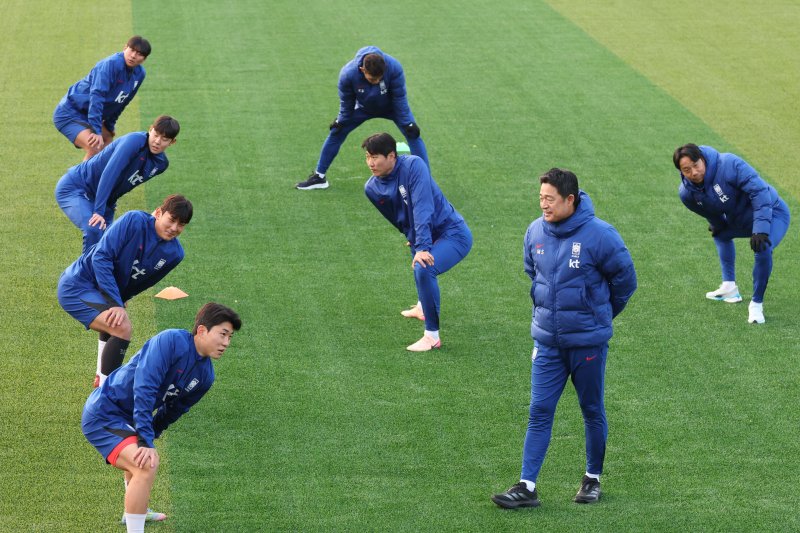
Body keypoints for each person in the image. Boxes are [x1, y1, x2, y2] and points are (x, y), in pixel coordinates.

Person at [492, 168, 637, 509]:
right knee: (539, 410)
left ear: (570, 200)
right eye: (541, 197)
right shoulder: (534, 232)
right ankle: (527, 486)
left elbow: (625, 281)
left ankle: (592, 479)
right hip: (547, 342)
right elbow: (534, 274)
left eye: (550, 199)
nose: (544, 204)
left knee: (590, 409)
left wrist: (598, 315)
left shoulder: (600, 235)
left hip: (587, 344)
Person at [81, 302, 242, 531]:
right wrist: (144, 440)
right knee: (146, 465)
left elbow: (172, 412)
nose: (226, 343)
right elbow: (144, 387)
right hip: (104, 412)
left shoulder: (206, 376)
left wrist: (148, 436)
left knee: (143, 457)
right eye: (223, 334)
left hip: (128, 419)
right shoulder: (171, 342)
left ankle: (135, 510)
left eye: (230, 337)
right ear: (202, 330)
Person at [57, 194, 192, 387]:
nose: (174, 228)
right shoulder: (134, 220)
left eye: (181, 225)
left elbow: (142, 282)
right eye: (171, 220)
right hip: (78, 286)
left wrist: (121, 298)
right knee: (122, 327)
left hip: (99, 291)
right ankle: (105, 395)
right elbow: (101, 257)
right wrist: (115, 301)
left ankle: (100, 378)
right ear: (159, 213)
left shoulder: (175, 254)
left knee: (116, 319)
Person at [362, 133, 471, 351]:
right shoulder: (371, 188)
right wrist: (414, 241)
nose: (371, 163)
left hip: (453, 233)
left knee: (423, 268)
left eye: (375, 157)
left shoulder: (414, 166)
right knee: (417, 258)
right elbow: (397, 218)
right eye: (367, 157)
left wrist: (422, 246)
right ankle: (423, 307)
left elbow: (423, 208)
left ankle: (432, 337)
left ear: (391, 155)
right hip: (423, 235)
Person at [673, 143, 790, 324]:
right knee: (721, 235)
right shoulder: (687, 194)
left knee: (763, 247)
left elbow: (759, 193)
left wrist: (760, 229)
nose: (694, 172)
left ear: (702, 159)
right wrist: (717, 225)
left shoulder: (729, 164)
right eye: (686, 170)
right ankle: (729, 287)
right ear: (681, 171)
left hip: (773, 213)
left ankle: (756, 304)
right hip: (742, 220)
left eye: (696, 165)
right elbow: (711, 214)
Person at [296, 46, 429, 190]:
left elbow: (399, 97)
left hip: (391, 107)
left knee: (413, 133)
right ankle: (319, 177)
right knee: (336, 132)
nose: (377, 82)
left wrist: (407, 123)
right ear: (362, 70)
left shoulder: (394, 67)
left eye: (380, 78)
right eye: (373, 79)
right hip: (363, 108)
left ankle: (424, 180)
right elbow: (346, 103)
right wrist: (341, 120)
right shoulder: (348, 75)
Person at [55, 115, 179, 254]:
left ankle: (94, 273)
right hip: (75, 187)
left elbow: (126, 183)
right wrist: (99, 211)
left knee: (112, 244)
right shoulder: (134, 141)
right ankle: (86, 273)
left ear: (172, 142)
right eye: (155, 135)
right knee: (94, 229)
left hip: (104, 200)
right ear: (150, 129)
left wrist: (109, 205)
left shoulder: (160, 164)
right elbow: (110, 173)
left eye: (164, 139)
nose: (157, 141)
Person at [53, 36, 151, 161]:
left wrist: (109, 126)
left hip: (90, 115)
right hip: (70, 113)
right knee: (95, 147)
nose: (133, 56)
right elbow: (97, 97)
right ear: (125, 47)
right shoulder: (110, 65)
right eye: (131, 50)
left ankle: (98, 179)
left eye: (139, 54)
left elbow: (122, 102)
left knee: (108, 143)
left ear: (144, 59)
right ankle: (77, 180)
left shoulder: (139, 74)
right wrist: (96, 130)